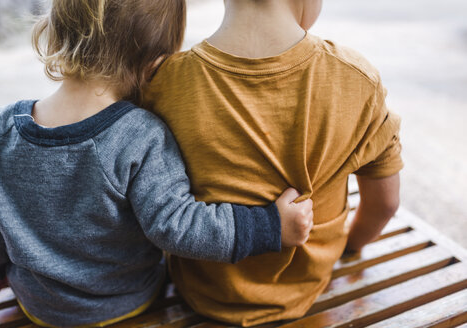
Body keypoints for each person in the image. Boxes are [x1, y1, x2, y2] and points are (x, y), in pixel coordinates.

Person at [0, 0, 315, 327]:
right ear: (155, 61)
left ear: (57, 29)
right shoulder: (139, 136)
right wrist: (270, 226)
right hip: (126, 300)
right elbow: (177, 226)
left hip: (40, 305)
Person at [142, 0, 403, 326]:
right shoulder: (358, 79)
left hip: (201, 290)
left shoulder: (164, 82)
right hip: (309, 289)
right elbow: (386, 203)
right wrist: (349, 246)